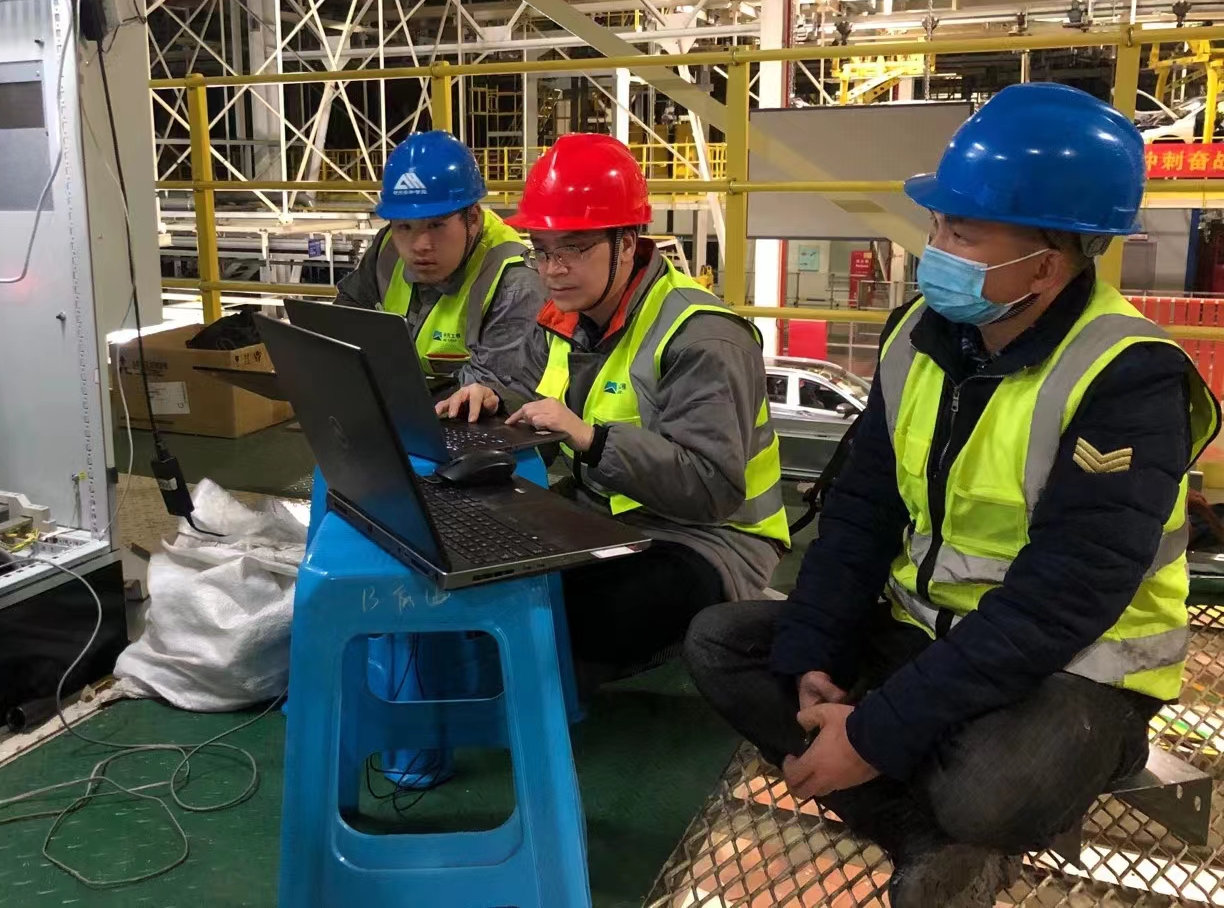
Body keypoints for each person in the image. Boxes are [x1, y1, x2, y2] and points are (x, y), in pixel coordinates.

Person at [684, 83, 1220, 908]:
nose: (933, 246)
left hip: (1073, 672)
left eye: (961, 232)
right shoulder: (915, 337)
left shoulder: (1127, 379)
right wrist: (817, 654)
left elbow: (1060, 602)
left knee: (994, 791)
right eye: (938, 223)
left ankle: (954, 809)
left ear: (1049, 262)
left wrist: (875, 734)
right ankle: (927, 843)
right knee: (725, 645)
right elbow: (863, 510)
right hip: (923, 629)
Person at [439, 133, 789, 678]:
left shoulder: (702, 338)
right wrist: (495, 399)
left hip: (709, 537)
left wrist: (591, 439)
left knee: (594, 614)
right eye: (542, 250)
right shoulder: (565, 314)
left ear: (627, 243)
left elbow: (711, 490)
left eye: (573, 249)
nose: (552, 269)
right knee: (477, 556)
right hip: (599, 512)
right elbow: (535, 395)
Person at [335, 130, 542, 390]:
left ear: (473, 218)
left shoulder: (514, 282)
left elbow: (492, 391)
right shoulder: (386, 248)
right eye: (404, 226)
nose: (420, 245)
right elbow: (343, 320)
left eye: (436, 225)